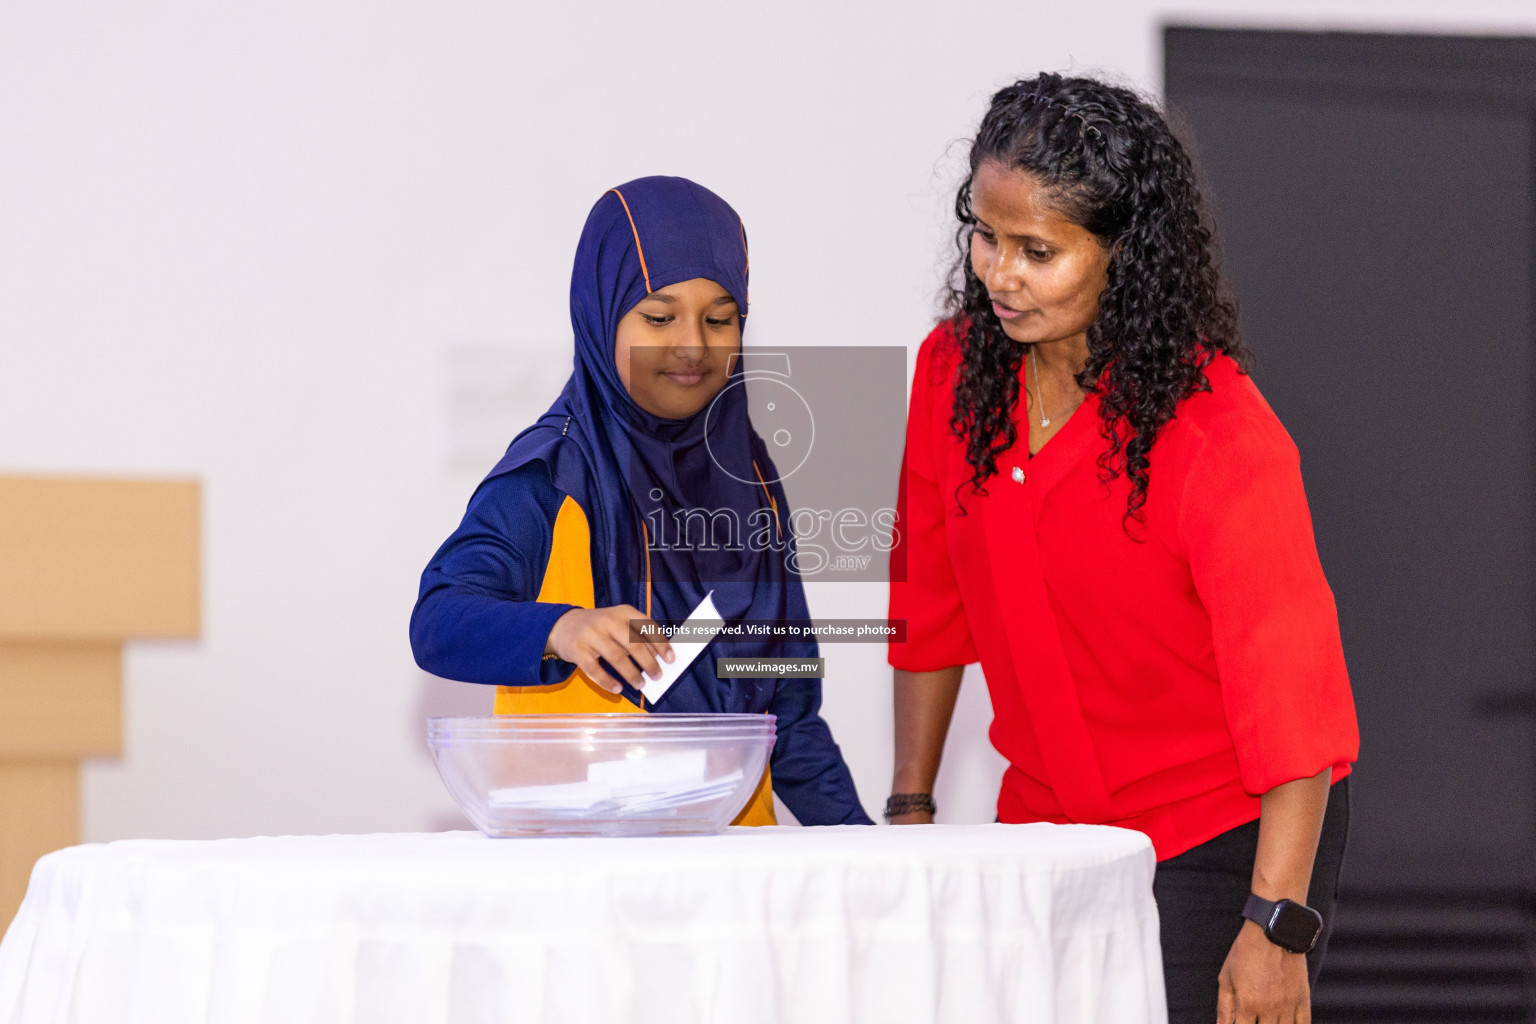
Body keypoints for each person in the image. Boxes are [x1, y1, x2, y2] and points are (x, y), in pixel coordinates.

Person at [885, 75, 1358, 1023]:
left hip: (1221, 839)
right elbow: (929, 611)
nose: (998, 273)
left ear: (1125, 258)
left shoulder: (1218, 432)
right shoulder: (950, 375)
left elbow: (1295, 711)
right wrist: (911, 811)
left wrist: (1275, 928)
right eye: (985, 235)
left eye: (1039, 251)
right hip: (1044, 827)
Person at [413, 175, 871, 827]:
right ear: (602, 314)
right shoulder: (554, 470)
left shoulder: (752, 478)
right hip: (587, 884)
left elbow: (790, 715)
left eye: (720, 318)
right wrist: (561, 627)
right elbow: (438, 619)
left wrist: (870, 855)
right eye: (659, 317)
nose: (693, 345)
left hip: (733, 886)